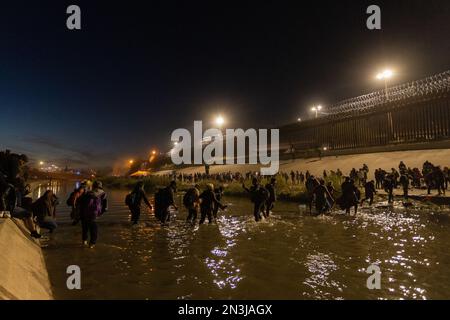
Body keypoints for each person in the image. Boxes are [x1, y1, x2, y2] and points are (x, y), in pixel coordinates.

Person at [78, 181, 107, 248]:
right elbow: (105, 206)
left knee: (85, 227)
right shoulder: (103, 193)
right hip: (94, 213)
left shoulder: (88, 192)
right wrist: (101, 213)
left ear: (93, 186)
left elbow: (81, 202)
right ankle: (92, 243)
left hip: (84, 212)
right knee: (93, 227)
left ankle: (84, 240)